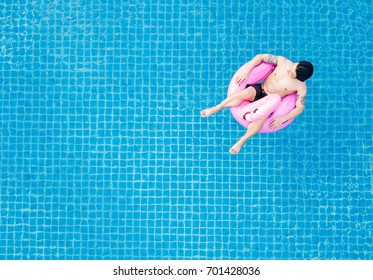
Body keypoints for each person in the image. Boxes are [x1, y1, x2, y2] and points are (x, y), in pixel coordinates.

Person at [201, 54, 314, 154]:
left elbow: (299, 108)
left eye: (291, 73)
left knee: (261, 120)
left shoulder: (300, 87)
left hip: (271, 101)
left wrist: (283, 118)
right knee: (246, 92)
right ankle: (216, 108)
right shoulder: (283, 62)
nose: (289, 70)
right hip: (260, 89)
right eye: (292, 66)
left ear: (299, 78)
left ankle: (241, 141)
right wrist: (247, 71)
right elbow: (260, 57)